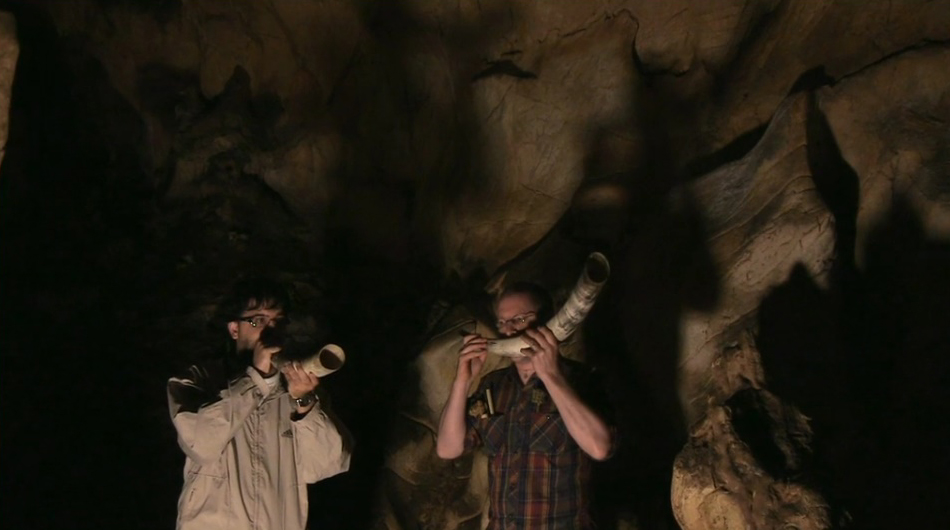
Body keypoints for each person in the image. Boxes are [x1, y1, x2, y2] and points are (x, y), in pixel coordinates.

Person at [167, 278, 351, 530]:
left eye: (278, 321)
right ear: (234, 329)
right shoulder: (196, 380)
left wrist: (305, 403)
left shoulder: (298, 390)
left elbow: (327, 466)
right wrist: (257, 378)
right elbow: (201, 443)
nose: (269, 330)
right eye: (258, 320)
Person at [436, 281, 614, 529]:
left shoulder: (582, 381)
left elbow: (600, 448)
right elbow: (447, 449)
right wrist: (461, 382)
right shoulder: (494, 386)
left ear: (546, 322)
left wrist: (551, 376)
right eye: (502, 322)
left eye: (520, 319)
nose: (508, 332)